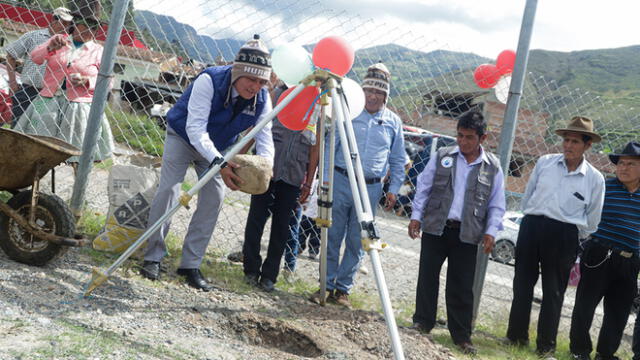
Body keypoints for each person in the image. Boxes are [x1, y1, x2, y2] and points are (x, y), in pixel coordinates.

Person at [140, 35, 274, 291]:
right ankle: (152, 256)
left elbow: (265, 135)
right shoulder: (210, 80)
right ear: (237, 73)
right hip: (183, 136)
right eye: (251, 79)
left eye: (261, 81)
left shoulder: (262, 97)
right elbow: (196, 129)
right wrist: (220, 163)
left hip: (219, 144)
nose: (255, 87)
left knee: (214, 196)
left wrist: (267, 165)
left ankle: (190, 263)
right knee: (170, 190)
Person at [505, 116, 606, 358]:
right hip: (532, 226)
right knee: (522, 284)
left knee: (553, 291)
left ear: (587, 145)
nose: (568, 145)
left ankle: (545, 345)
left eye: (574, 141)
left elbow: (593, 218)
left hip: (565, 234)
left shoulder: (594, 178)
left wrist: (572, 234)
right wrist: (532, 219)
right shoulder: (545, 163)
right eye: (566, 140)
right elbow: (528, 196)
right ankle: (516, 336)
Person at [408, 110, 506, 355]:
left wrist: (491, 231)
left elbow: (497, 203)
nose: (463, 142)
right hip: (436, 227)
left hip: (467, 233)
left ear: (482, 139)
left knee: (461, 285)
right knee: (427, 275)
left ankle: (461, 335)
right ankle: (423, 322)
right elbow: (424, 187)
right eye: (460, 136)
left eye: (469, 137)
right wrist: (416, 216)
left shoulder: (492, 167)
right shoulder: (443, 156)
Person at [310, 62, 405, 307]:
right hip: (341, 180)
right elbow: (332, 147)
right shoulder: (348, 113)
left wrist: (393, 189)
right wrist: (326, 179)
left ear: (386, 95)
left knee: (357, 240)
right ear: (362, 91)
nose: (373, 96)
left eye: (379, 92)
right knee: (332, 234)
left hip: (370, 188)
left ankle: (343, 289)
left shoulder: (393, 122)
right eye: (369, 91)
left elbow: (397, 159)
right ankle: (325, 284)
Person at [242, 75, 319, 292]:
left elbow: (314, 148)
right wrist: (239, 154)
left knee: (282, 226)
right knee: (256, 218)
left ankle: (269, 275)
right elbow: (257, 127)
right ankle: (250, 269)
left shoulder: (318, 104)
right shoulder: (278, 95)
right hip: (267, 169)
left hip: (293, 175)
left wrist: (308, 183)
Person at [13, 12, 114, 166]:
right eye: (85, 26)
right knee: (36, 143)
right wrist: (50, 47)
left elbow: (108, 82)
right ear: (74, 26)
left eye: (94, 28)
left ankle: (78, 182)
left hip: (79, 104)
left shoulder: (99, 51)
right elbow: (35, 58)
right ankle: (29, 177)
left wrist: (87, 81)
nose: (89, 31)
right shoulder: (58, 41)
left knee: (76, 149)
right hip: (47, 98)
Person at [569, 142, 640, 360]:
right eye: (620, 163)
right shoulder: (605, 187)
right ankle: (579, 351)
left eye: (630, 164)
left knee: (618, 312)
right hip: (600, 253)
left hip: (630, 260)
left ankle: (605, 354)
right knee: (585, 305)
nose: (623, 168)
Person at [4, 7, 73, 126]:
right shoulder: (34, 36)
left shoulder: (68, 45)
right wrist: (12, 82)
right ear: (53, 20)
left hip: (50, 96)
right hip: (28, 90)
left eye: (69, 24)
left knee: (36, 128)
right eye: (64, 22)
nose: (66, 27)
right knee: (18, 126)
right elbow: (11, 55)